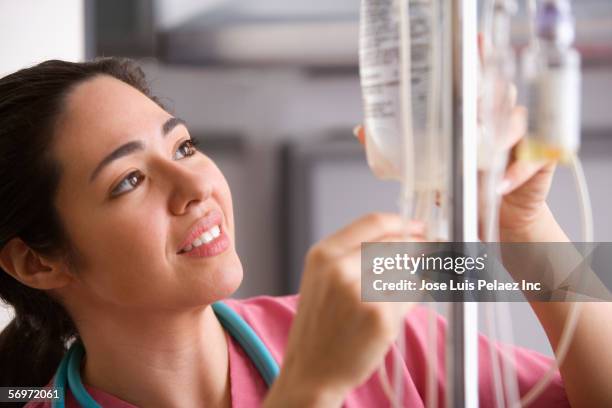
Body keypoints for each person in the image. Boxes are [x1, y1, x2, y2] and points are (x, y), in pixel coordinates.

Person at [0, 58, 609, 408]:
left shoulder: (384, 335)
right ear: (38, 264)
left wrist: (528, 232)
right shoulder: (333, 351)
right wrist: (313, 385)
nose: (195, 188)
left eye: (183, 146)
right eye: (129, 180)